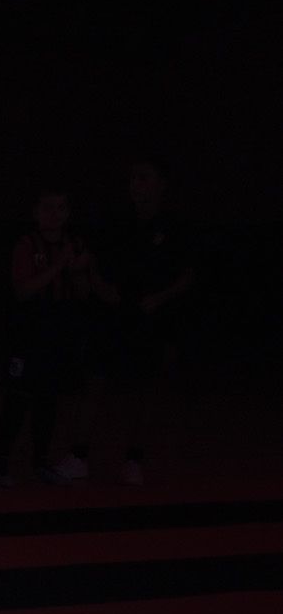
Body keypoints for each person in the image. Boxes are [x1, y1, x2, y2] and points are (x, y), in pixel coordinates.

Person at [70, 157, 194, 485]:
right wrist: (100, 287)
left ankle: (134, 460)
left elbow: (187, 275)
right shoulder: (115, 222)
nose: (136, 184)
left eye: (144, 177)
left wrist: (159, 299)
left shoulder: (174, 227)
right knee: (95, 383)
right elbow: (92, 260)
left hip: (149, 318)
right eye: (133, 178)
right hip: (110, 316)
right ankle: (79, 456)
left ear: (161, 184)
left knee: (145, 390)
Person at [0, 186, 100, 486]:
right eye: (48, 207)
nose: (54, 214)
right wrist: (60, 265)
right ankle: (0, 462)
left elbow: (85, 293)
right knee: (18, 396)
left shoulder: (74, 246)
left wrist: (77, 271)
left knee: (48, 398)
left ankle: (40, 461)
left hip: (60, 328)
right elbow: (23, 290)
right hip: (28, 329)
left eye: (61, 207)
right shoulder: (26, 244)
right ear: (36, 212)